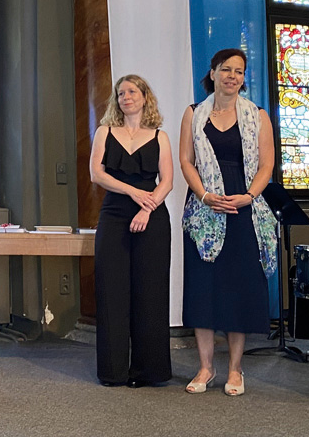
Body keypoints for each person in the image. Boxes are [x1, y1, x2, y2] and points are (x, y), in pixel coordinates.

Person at [180, 48, 277, 396]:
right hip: (204, 207)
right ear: (213, 72)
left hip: (243, 207)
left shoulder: (258, 115)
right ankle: (206, 367)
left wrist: (249, 195)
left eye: (238, 71)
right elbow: (186, 160)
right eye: (226, 69)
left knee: (239, 289)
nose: (232, 76)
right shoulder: (194, 113)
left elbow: (267, 164)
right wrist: (205, 195)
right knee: (203, 289)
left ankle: (236, 369)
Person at [89, 74, 174, 387]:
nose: (126, 97)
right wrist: (133, 192)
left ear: (145, 96)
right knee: (111, 290)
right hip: (114, 214)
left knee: (150, 292)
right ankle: (113, 371)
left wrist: (146, 207)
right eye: (121, 93)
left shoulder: (160, 137)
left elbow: (167, 181)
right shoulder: (105, 132)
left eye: (132, 91)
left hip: (152, 215)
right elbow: (96, 174)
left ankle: (148, 372)